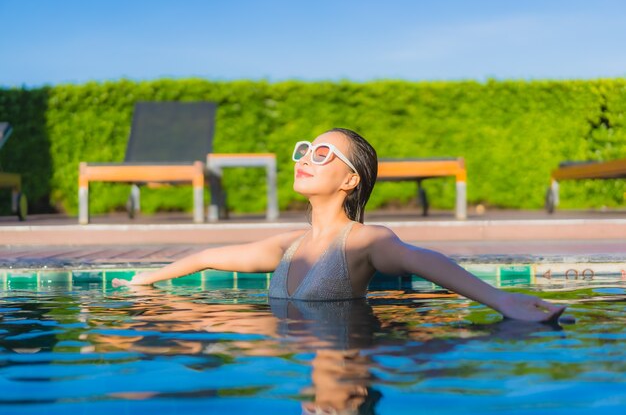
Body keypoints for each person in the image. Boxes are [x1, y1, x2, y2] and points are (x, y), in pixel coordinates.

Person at [113, 128, 566, 322]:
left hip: (350, 348)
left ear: (350, 179)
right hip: (293, 343)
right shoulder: (287, 243)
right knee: (203, 325)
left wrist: (502, 300)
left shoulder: (363, 241)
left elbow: (423, 260)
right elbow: (210, 258)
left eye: (323, 154)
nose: (307, 159)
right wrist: (145, 280)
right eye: (306, 150)